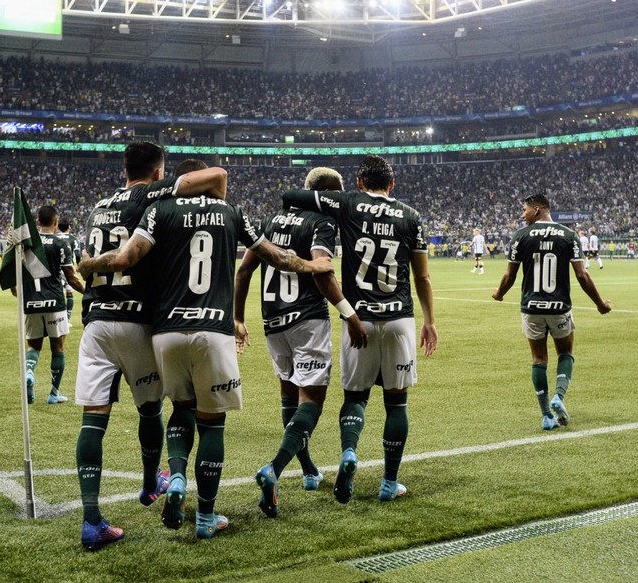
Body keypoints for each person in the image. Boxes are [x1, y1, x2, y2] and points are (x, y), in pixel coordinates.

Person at [79, 161, 333, 541]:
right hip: (213, 329)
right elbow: (276, 257)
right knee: (212, 422)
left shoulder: (158, 210)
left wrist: (87, 264)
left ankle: (177, 477)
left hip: (165, 331)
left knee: (181, 409)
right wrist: (312, 265)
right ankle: (206, 517)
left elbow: (126, 258)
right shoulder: (232, 212)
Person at [72, 146, 228, 549]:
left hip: (95, 324)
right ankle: (148, 484)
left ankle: (92, 521)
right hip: (137, 320)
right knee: (151, 408)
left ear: (124, 168)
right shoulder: (153, 194)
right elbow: (207, 177)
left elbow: (86, 261)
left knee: (94, 419)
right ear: (157, 170)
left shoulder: (98, 207)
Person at [282, 154, 438, 504]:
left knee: (356, 398)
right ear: (392, 184)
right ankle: (388, 483)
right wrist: (429, 321)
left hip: (358, 318)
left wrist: (325, 207)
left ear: (359, 182)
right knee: (397, 404)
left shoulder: (349, 202)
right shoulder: (411, 216)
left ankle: (349, 454)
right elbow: (423, 276)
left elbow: (292, 196)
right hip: (399, 318)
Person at [233, 167, 368, 519]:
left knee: (288, 395)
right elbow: (323, 271)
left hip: (272, 321)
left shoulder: (271, 220)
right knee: (312, 400)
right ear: (325, 193)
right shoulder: (322, 223)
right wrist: (350, 315)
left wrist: (238, 318)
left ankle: (308, 470)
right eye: (337, 194)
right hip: (307, 318)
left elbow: (244, 270)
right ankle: (273, 469)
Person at [491, 193, 611, 431]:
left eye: (525, 210)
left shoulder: (520, 236)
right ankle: (559, 396)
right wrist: (599, 303)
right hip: (559, 307)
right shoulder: (569, 235)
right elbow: (581, 275)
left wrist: (499, 293)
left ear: (537, 209)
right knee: (565, 352)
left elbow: (509, 276)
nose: (523, 214)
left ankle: (546, 415)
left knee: (538, 359)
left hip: (531, 307)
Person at [12, 205, 84, 405]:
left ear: (37, 222)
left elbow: (13, 273)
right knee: (58, 347)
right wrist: (88, 293)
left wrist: (16, 291)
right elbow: (71, 277)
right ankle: (53, 393)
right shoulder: (61, 242)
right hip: (54, 302)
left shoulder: (25, 243)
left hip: (31, 302)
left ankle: (29, 373)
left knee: (34, 346)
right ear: (55, 222)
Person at [57, 219, 82, 323]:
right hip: (68, 269)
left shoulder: (55, 237)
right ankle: (66, 320)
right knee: (69, 293)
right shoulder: (73, 239)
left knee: (58, 293)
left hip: (56, 269)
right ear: (69, 227)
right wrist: (79, 266)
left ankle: (58, 318)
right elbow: (77, 255)